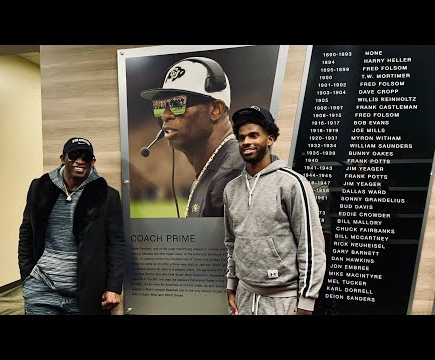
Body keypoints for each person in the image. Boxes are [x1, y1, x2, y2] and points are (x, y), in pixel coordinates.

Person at [224, 106, 326, 315]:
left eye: (254, 135)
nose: (246, 142)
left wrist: (306, 301)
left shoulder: (292, 183)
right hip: (244, 296)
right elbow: (232, 242)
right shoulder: (231, 189)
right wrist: (231, 284)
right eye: (241, 137)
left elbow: (311, 246)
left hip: (283, 301)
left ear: (269, 139)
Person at [18, 137, 125, 315]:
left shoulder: (107, 196)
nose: (80, 161)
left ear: (93, 162)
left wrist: (114, 287)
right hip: (41, 289)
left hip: (86, 293)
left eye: (86, 157)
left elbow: (116, 244)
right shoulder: (39, 187)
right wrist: (27, 277)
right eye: (74, 155)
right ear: (63, 158)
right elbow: (27, 233)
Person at [140, 56, 245, 217]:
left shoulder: (236, 174)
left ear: (216, 110)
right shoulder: (220, 168)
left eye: (177, 103)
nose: (166, 115)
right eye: (160, 106)